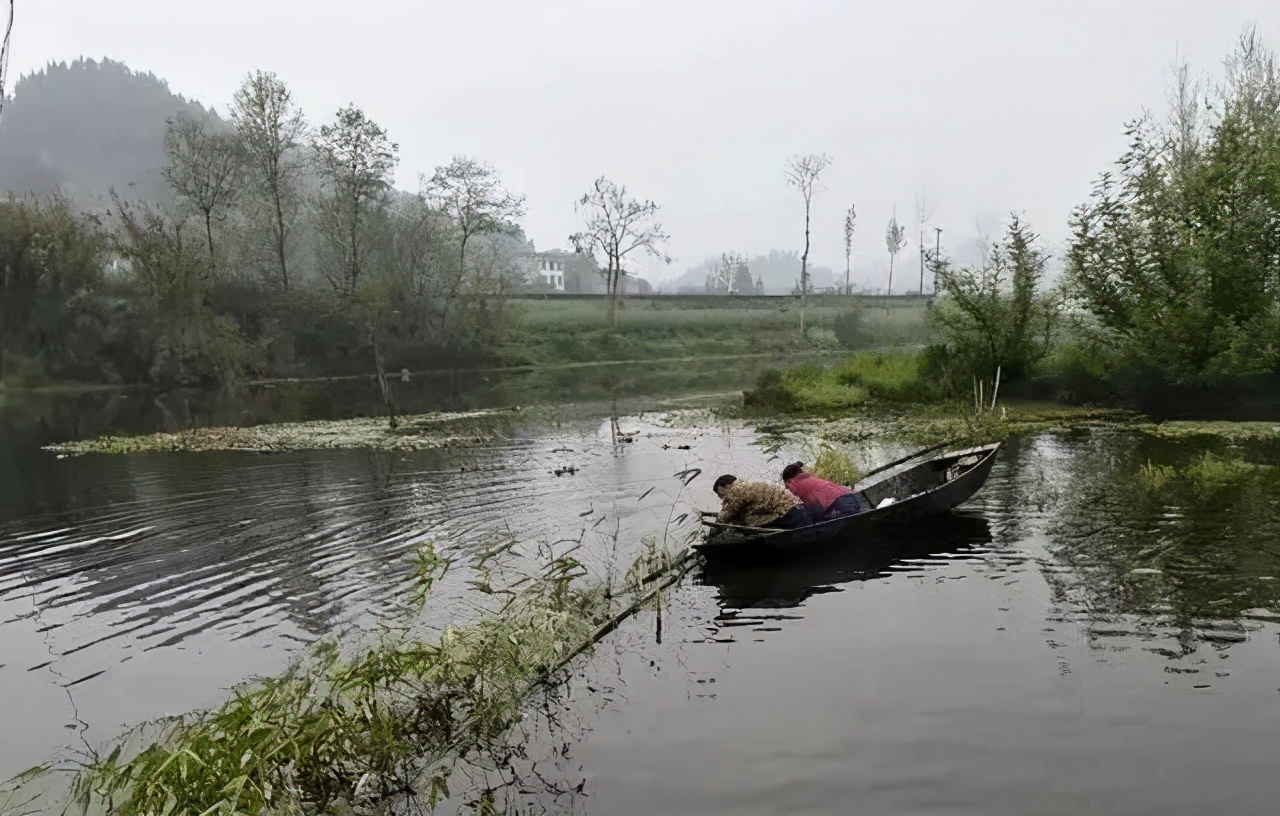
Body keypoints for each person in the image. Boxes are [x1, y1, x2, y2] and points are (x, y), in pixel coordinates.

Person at [712, 474, 812, 529]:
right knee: (745, 516)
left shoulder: (738, 491)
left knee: (748, 522)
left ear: (727, 486)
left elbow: (728, 513)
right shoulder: (745, 485)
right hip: (795, 507)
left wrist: (713, 529)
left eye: (720, 494)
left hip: (789, 512)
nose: (721, 497)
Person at [781, 461, 865, 519]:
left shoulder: (794, 484)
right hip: (852, 498)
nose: (788, 488)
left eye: (787, 486)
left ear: (788, 481)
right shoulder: (808, 477)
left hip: (843, 506)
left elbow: (802, 505)